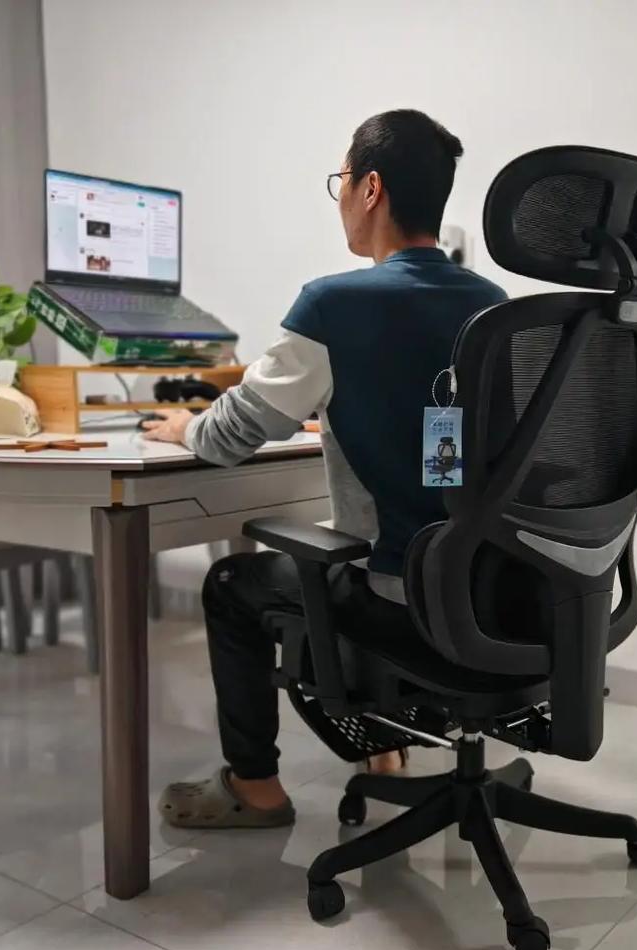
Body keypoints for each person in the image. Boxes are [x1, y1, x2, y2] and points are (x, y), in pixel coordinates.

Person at [146, 110, 507, 828]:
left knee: (232, 583)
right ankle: (384, 750)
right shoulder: (492, 307)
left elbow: (230, 435)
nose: (339, 195)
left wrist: (185, 424)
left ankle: (255, 787)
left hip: (398, 593)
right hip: (488, 589)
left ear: (370, 188)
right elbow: (444, 429)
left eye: (341, 179)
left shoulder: (334, 304)